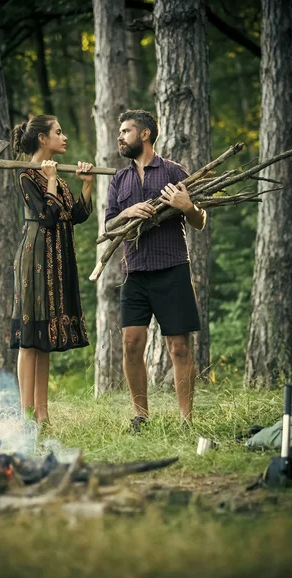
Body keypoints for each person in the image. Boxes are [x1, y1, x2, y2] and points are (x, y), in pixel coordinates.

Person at [105, 109, 206, 431]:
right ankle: (140, 416)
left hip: (172, 269)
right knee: (131, 344)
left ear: (145, 134)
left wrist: (187, 207)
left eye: (125, 131)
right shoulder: (119, 179)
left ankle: (186, 420)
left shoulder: (175, 172)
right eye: (120, 132)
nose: (120, 137)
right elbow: (108, 226)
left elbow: (200, 221)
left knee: (178, 347)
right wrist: (126, 213)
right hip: (134, 272)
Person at [10, 114, 93, 426]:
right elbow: (46, 215)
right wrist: (50, 181)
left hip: (58, 262)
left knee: (44, 337)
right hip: (35, 260)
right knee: (30, 337)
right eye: (59, 132)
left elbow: (75, 215)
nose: (64, 137)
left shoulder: (52, 174)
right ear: (43, 139)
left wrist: (87, 185)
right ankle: (25, 416)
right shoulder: (27, 176)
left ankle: (42, 415)